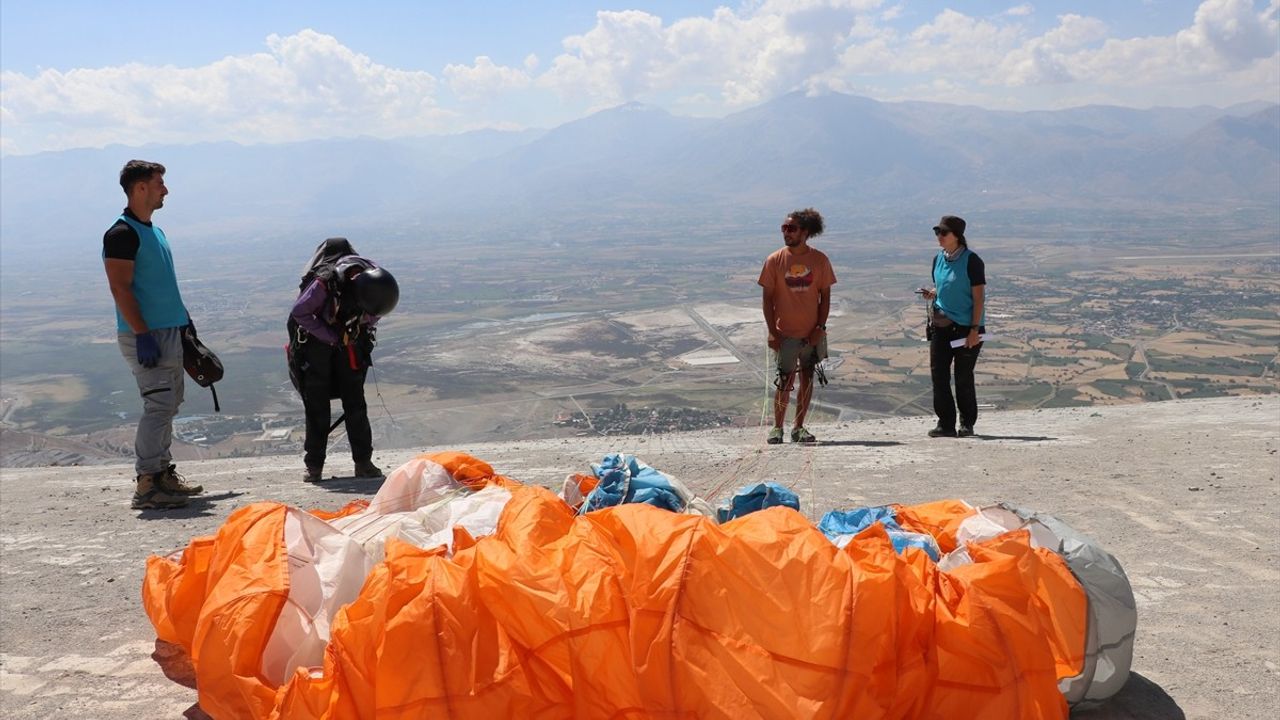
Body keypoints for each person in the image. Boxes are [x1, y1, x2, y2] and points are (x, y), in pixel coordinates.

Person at [102, 160, 204, 510]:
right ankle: (147, 483)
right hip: (146, 336)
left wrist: (183, 322)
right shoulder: (121, 235)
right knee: (158, 405)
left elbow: (161, 285)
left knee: (170, 404)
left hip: (168, 331)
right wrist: (142, 332)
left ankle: (162, 475)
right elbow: (120, 288)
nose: (165, 189)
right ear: (140, 188)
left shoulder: (154, 232)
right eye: (159, 183)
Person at [290, 253, 399, 481]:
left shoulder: (376, 282)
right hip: (316, 344)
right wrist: (331, 336)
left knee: (356, 403)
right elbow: (300, 313)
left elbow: (374, 313)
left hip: (350, 343)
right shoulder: (324, 283)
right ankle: (314, 466)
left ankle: (363, 462)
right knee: (317, 405)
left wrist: (359, 325)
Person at [758, 208, 837, 444]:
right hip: (785, 335)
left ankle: (799, 427)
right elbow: (767, 299)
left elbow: (825, 297)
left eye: (791, 228)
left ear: (805, 232)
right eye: (784, 228)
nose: (786, 233)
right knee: (784, 382)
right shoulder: (774, 260)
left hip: (812, 334)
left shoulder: (820, 260)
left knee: (807, 380)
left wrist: (819, 328)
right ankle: (777, 427)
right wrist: (772, 332)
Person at [919, 215, 986, 438]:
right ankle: (945, 424)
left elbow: (978, 298)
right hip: (941, 326)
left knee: (963, 377)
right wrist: (933, 294)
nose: (939, 236)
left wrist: (975, 330)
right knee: (938, 375)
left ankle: (967, 424)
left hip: (966, 328)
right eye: (937, 231)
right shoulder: (938, 259)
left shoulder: (972, 260)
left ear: (956, 236)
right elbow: (943, 287)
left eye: (943, 232)